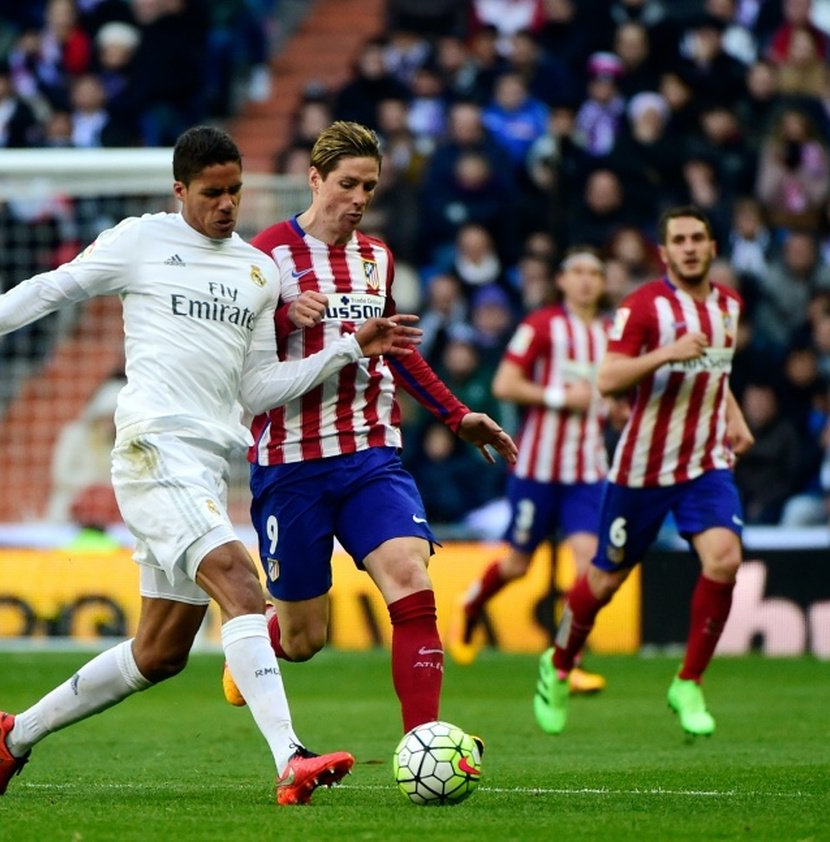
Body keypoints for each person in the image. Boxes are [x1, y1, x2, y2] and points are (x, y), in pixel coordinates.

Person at [0, 125, 423, 805]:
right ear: (180, 191)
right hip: (151, 450)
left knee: (161, 652)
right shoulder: (141, 240)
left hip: (203, 465)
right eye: (211, 193)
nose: (226, 205)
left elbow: (259, 388)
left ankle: (13, 736)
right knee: (239, 579)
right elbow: (52, 288)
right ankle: (290, 758)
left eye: (235, 191)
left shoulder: (257, 272)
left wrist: (349, 348)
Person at [220, 120, 518, 734]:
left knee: (410, 578)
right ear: (314, 179)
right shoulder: (264, 257)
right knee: (305, 639)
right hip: (291, 465)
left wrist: (457, 415)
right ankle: (258, 649)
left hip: (370, 455)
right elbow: (233, 356)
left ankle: (424, 743)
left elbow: (395, 349)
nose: (358, 199)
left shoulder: (377, 257)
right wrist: (280, 317)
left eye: (370, 188)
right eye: (347, 184)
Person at [532, 206, 754, 739]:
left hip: (704, 462)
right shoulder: (645, 307)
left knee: (724, 560)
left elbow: (715, 375)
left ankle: (689, 681)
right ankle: (558, 662)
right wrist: (668, 353)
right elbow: (608, 379)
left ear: (712, 247)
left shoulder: (729, 306)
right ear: (665, 252)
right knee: (604, 580)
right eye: (679, 240)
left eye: (698, 238)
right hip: (642, 469)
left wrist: (734, 418)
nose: (690, 247)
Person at [446, 248, 609, 696]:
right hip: (537, 468)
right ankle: (471, 605)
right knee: (518, 564)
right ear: (561, 280)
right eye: (577, 271)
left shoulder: (613, 333)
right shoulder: (542, 326)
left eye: (594, 272)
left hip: (588, 471)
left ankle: (566, 661)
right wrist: (560, 397)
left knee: (588, 565)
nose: (586, 281)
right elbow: (504, 384)